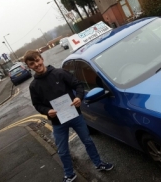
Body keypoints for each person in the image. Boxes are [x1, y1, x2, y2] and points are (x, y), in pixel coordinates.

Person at [24, 50, 113, 182]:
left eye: (37, 60)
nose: (36, 65)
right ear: (29, 67)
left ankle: (98, 163)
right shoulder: (34, 86)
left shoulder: (59, 73)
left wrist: (78, 97)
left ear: (41, 59)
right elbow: (37, 105)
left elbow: (78, 85)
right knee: (63, 150)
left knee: (87, 141)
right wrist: (47, 111)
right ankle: (69, 174)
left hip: (75, 116)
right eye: (32, 64)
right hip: (58, 122)